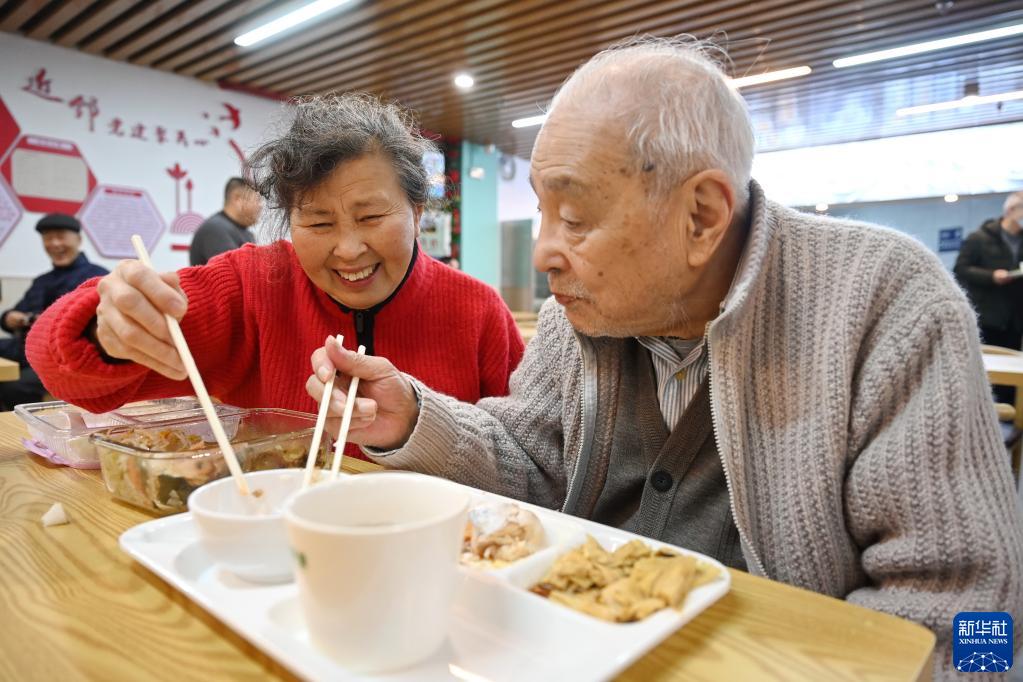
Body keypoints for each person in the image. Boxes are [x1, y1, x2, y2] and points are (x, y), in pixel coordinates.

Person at [305, 39, 1023, 677]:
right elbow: (529, 464)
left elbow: (981, 617)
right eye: (543, 212)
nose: (545, 251)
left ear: (701, 216)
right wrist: (413, 420)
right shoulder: (574, 319)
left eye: (574, 218)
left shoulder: (883, 301)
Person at [27, 93, 525, 460]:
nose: (348, 249)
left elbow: (525, 457)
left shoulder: (477, 308)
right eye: (319, 223)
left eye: (371, 217)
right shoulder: (253, 284)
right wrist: (107, 330)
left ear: (417, 211)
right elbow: (60, 366)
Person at [0, 214, 107, 409]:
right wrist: (8, 318)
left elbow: (98, 327)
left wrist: (47, 322)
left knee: (12, 387)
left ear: (78, 239)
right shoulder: (41, 280)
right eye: (48, 238)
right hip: (24, 347)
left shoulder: (97, 276)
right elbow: (16, 311)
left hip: (64, 357)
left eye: (61, 236)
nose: (55, 243)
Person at [954, 191, 1023, 402]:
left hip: (1015, 319)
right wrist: (991, 276)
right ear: (1011, 210)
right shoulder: (979, 238)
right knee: (983, 371)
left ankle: (1010, 415)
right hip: (987, 316)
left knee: (1011, 376)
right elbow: (961, 269)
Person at [188, 177, 263, 266]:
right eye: (257, 200)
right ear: (237, 198)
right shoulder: (215, 230)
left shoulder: (246, 233)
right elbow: (235, 270)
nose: (260, 206)